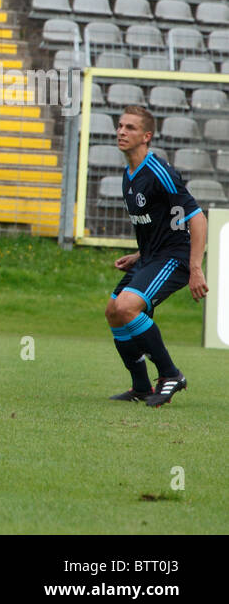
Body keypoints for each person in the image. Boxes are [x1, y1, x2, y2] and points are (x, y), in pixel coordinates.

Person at [106, 105, 207, 407]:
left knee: (127, 307)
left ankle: (170, 374)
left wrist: (195, 268)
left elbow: (196, 217)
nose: (122, 132)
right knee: (113, 311)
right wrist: (139, 255)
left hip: (174, 258)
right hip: (152, 257)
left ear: (146, 136)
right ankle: (140, 387)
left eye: (131, 128)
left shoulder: (159, 171)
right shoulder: (129, 174)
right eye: (120, 126)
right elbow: (165, 223)